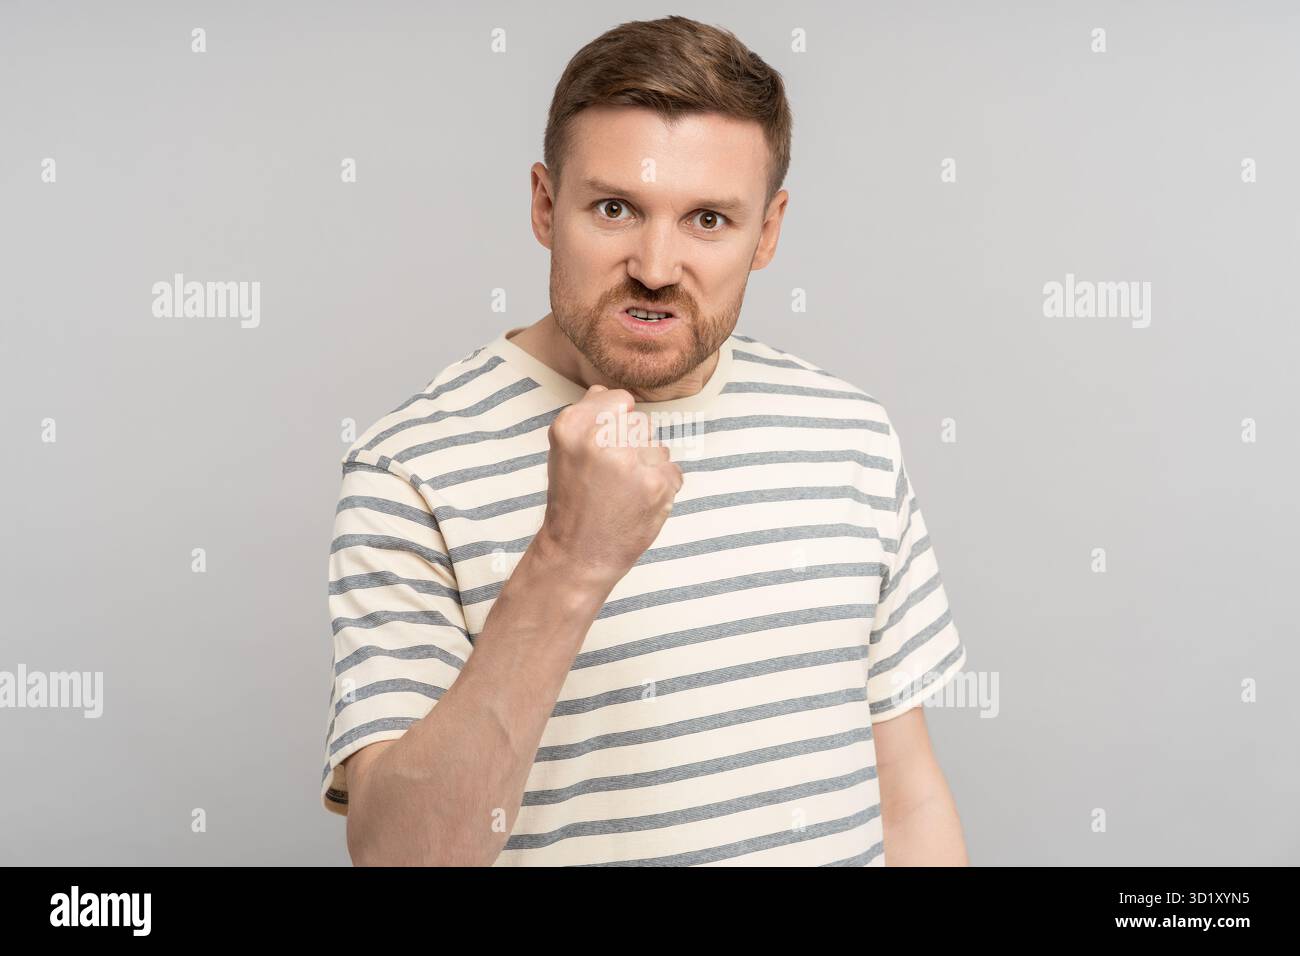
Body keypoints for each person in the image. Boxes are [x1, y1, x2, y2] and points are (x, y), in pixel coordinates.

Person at [320, 14, 968, 866]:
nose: (657, 267)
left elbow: (908, 802)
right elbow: (403, 857)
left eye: (708, 220)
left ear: (767, 232)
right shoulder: (410, 470)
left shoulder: (851, 434)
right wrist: (569, 556)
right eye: (616, 208)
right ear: (547, 206)